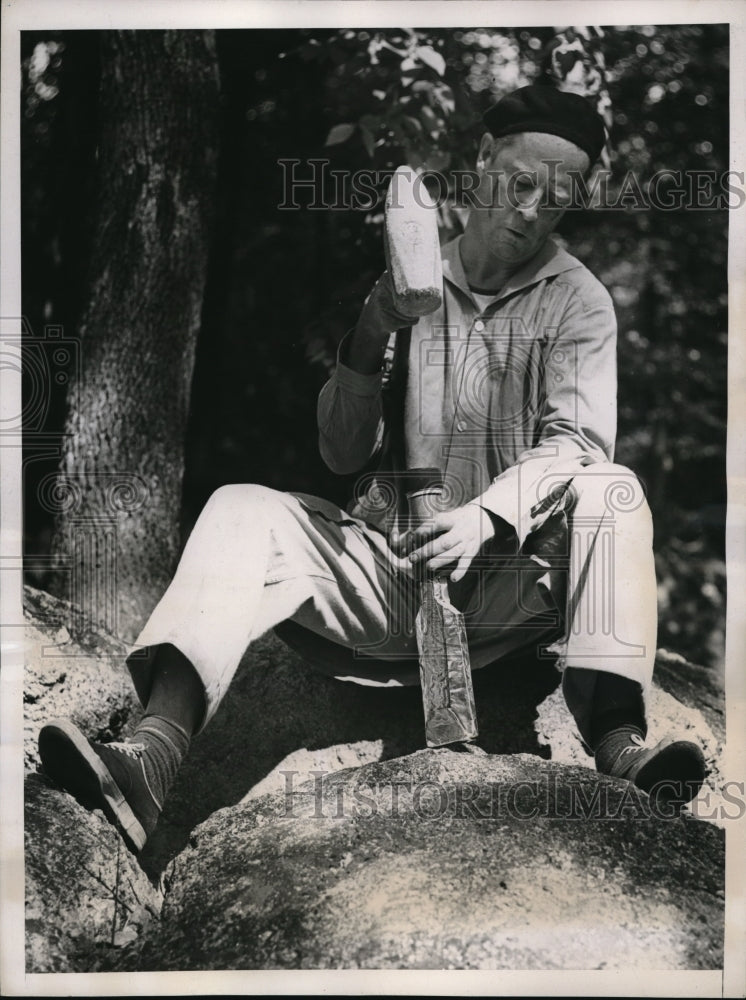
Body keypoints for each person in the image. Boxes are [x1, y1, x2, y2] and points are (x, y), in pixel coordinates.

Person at [38, 84, 706, 856]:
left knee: (614, 493)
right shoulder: (407, 277)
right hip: (387, 577)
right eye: (520, 182)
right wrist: (373, 329)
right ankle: (150, 759)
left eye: (556, 199)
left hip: (503, 586)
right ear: (484, 159)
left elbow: (578, 447)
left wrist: (486, 517)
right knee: (240, 505)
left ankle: (621, 747)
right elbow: (340, 455)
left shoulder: (578, 302)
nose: (530, 210)